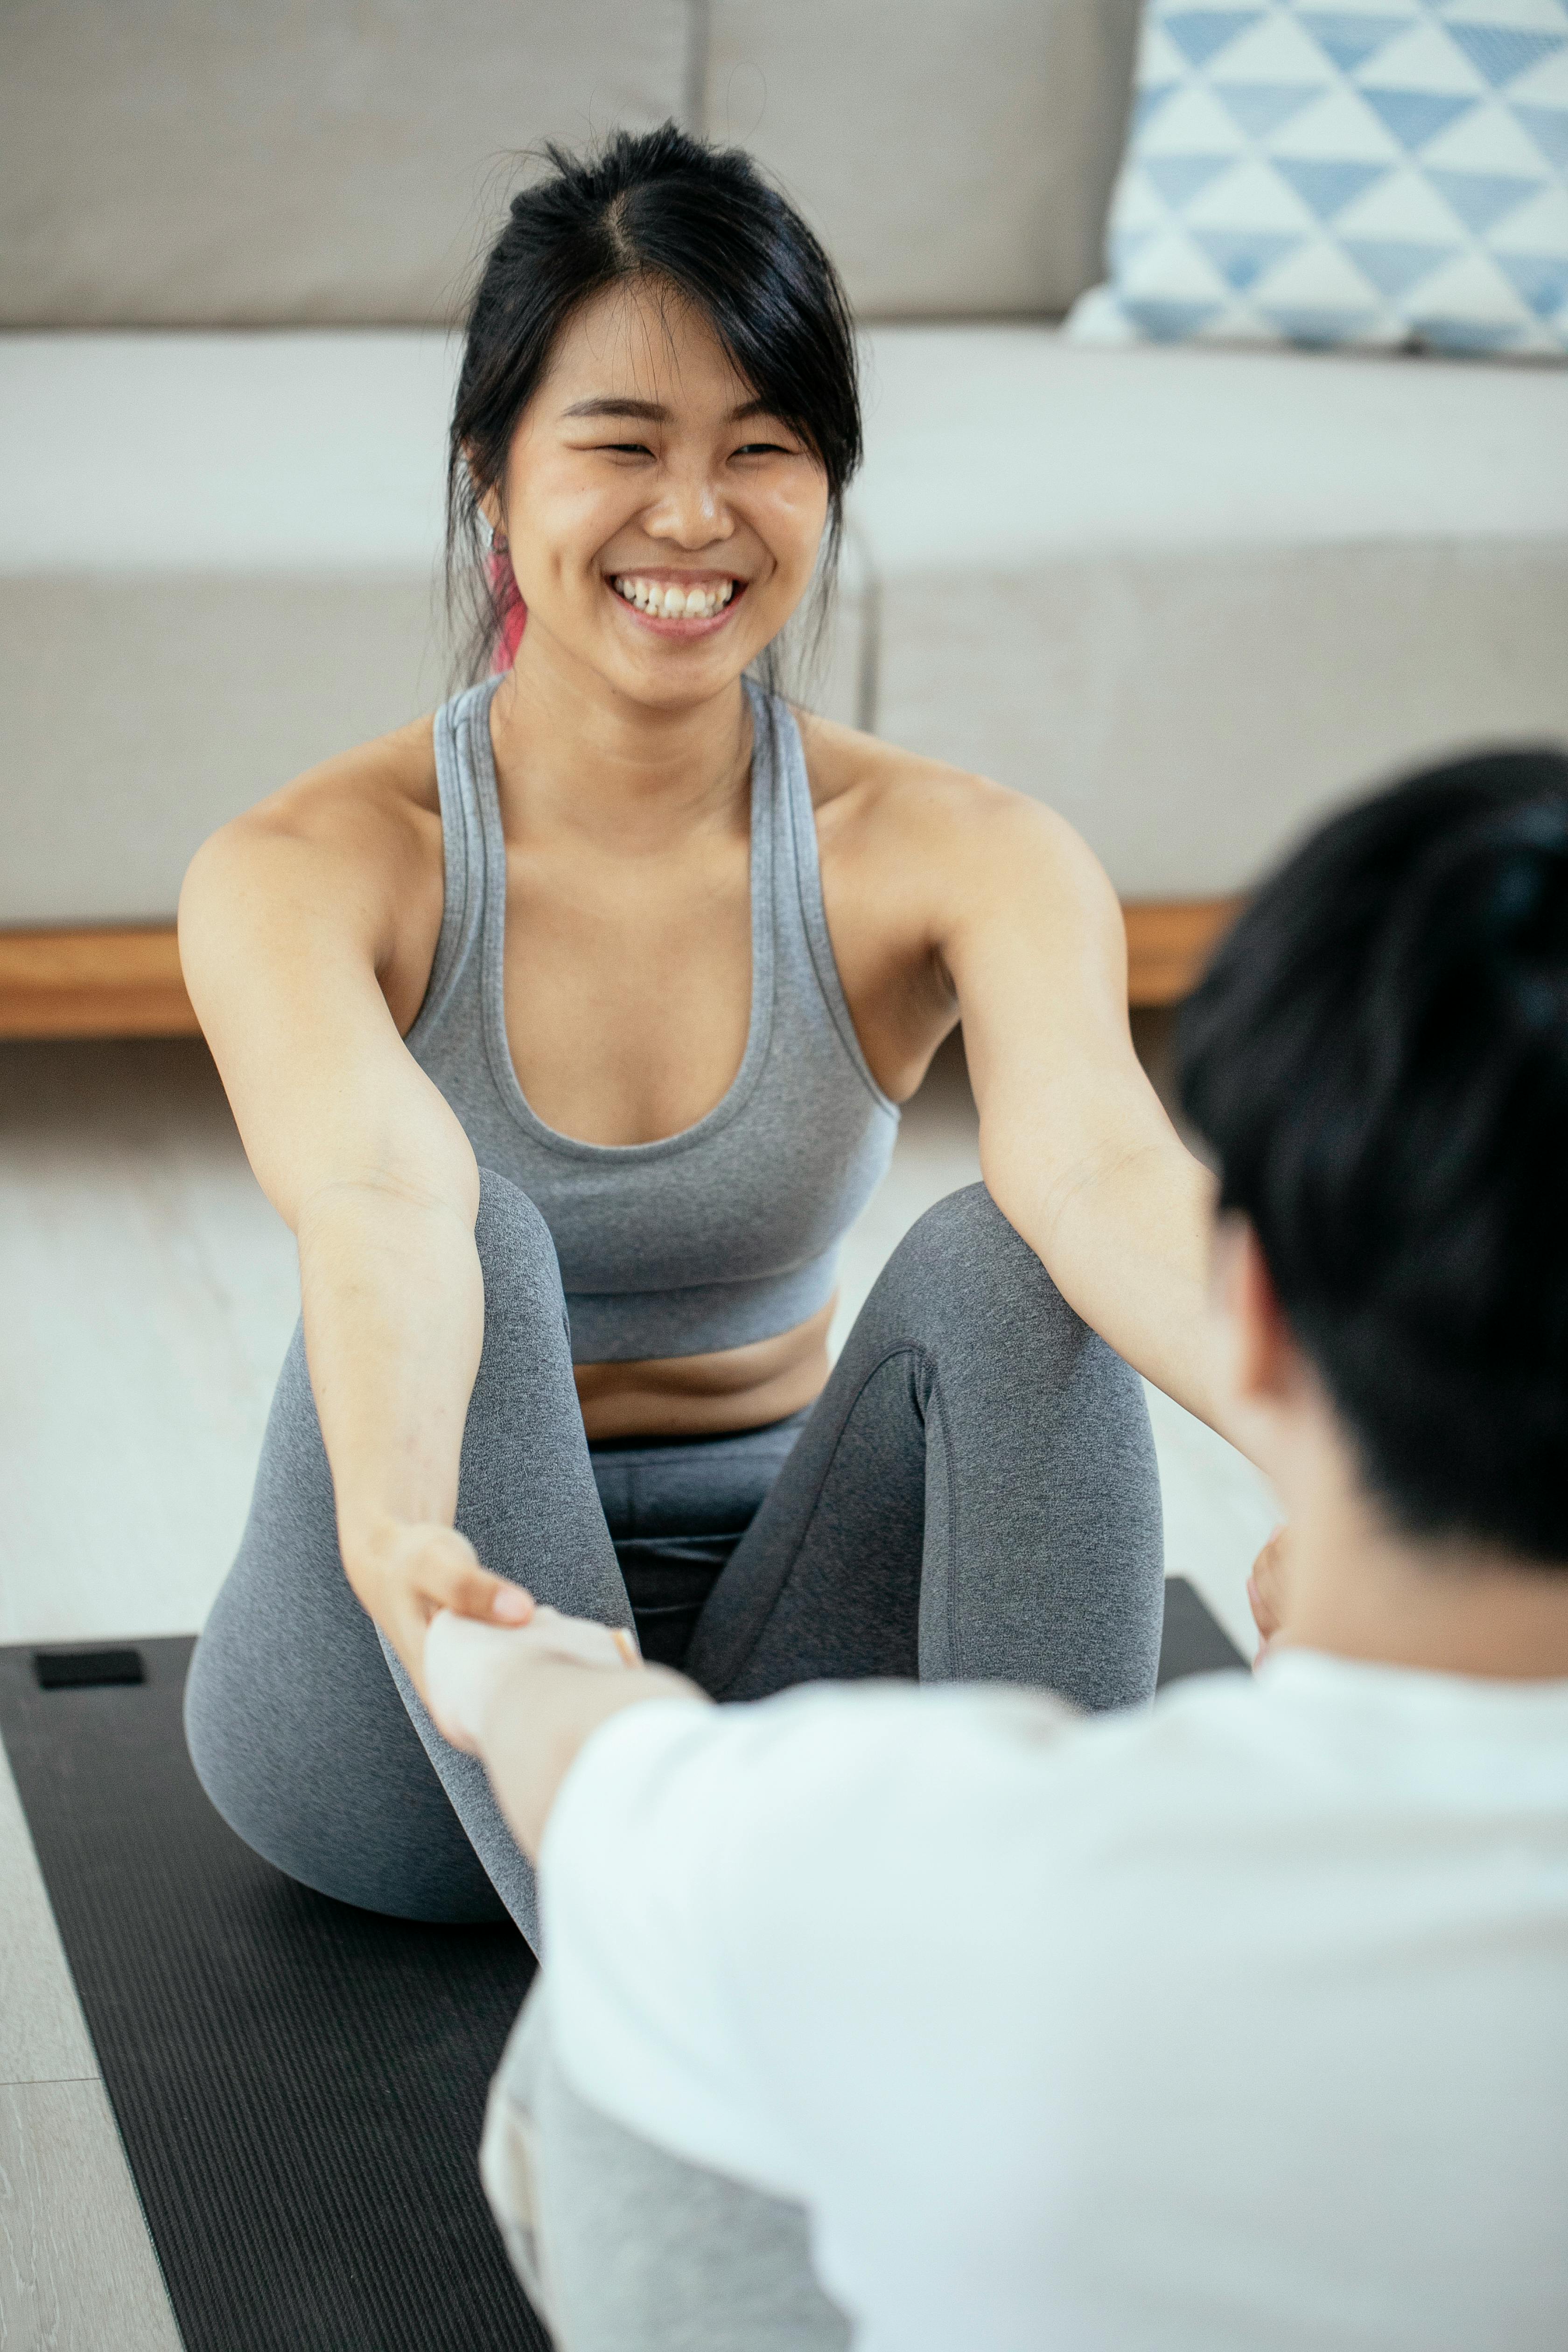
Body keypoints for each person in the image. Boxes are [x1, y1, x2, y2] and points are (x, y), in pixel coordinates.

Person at [180, 124, 1236, 1947]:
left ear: (829, 485)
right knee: (483, 1232)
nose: (694, 516)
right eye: (620, 446)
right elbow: (384, 1207)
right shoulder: (313, 867)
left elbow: (1102, 1170)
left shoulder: (957, 850)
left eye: (764, 449)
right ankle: (677, 1984)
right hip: (420, 1678)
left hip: (787, 1628)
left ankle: (1041, 1943)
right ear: (491, 484)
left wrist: (1360, 1467)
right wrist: (397, 1542)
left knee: (1013, 1259)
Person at [424, 749, 1568, 2351]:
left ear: (1251, 1308)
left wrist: (510, 1664)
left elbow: (605, 1776)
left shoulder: (925, 1866)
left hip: (737, 1874)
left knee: (625, 2001)